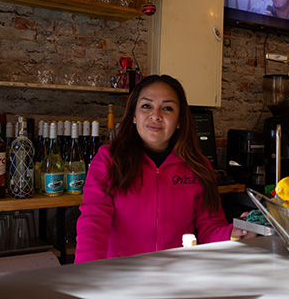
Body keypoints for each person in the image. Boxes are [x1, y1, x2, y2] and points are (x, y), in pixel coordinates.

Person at [75, 75, 255, 263]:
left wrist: (234, 233)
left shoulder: (198, 166)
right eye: (146, 106)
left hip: (176, 277)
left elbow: (210, 228)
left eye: (167, 108)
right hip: (122, 277)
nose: (156, 115)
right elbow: (93, 225)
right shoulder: (108, 160)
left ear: (179, 121)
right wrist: (85, 275)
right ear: (134, 116)